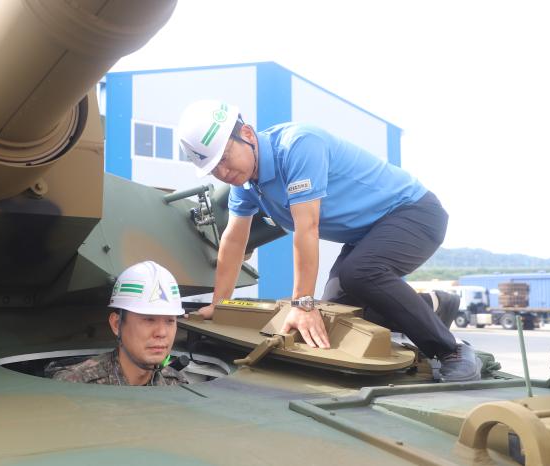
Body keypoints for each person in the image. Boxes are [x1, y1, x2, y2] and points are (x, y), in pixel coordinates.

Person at [177, 100, 480, 382]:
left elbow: (306, 228)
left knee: (357, 275)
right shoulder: (247, 183)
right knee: (337, 310)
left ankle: (451, 349)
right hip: (367, 234)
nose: (223, 172)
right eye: (214, 169)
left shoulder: (298, 146)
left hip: (414, 213)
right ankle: (431, 307)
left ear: (246, 134)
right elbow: (233, 240)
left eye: (225, 159)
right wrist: (220, 304)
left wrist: (302, 304)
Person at [46, 261, 188, 386]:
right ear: (116, 324)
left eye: (170, 321)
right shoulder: (76, 385)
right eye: (148, 320)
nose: (162, 333)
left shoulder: (176, 385)